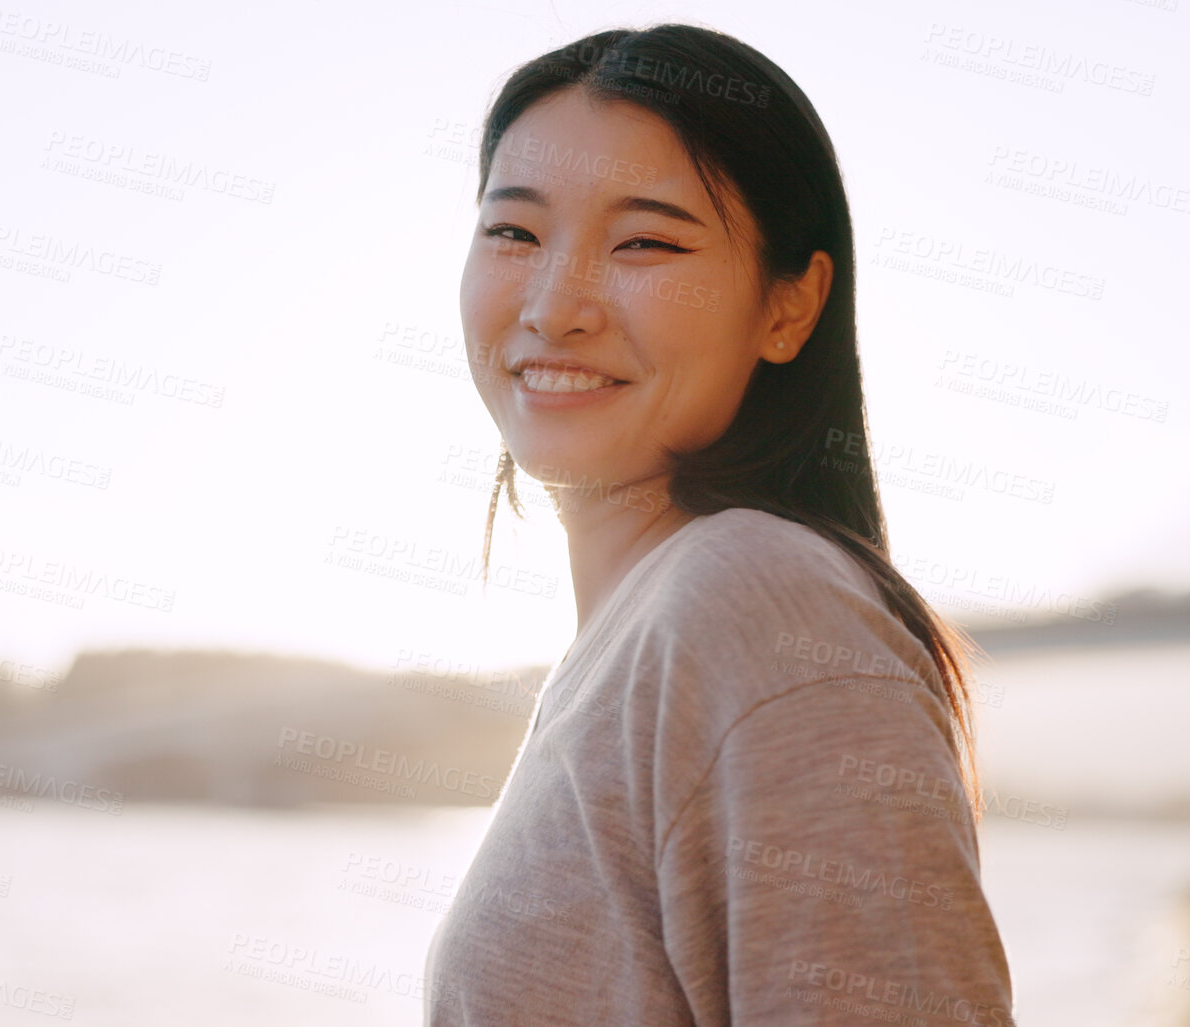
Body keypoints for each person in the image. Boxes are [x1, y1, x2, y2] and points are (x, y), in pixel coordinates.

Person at [423, 24, 1016, 1026]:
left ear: (790, 306)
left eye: (645, 241)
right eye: (514, 233)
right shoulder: (639, 636)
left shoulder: (761, 601)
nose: (556, 304)